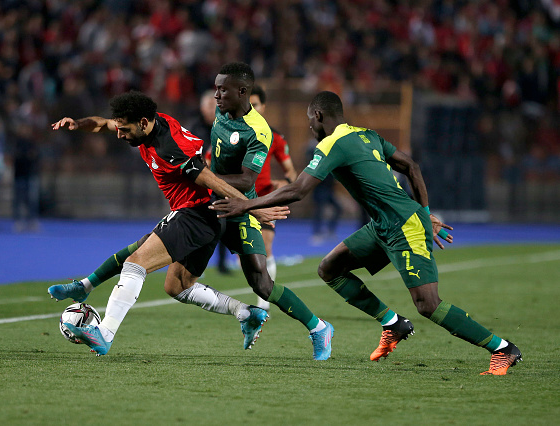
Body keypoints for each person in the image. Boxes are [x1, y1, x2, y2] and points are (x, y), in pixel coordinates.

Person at [212, 91, 522, 375]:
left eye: (309, 120)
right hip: (383, 225)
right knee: (330, 269)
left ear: (318, 115)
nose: (309, 127)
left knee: (428, 304)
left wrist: (246, 205)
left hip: (403, 226)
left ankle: (502, 348)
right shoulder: (367, 135)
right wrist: (425, 212)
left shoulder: (333, 143)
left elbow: (297, 190)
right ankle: (393, 323)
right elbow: (411, 166)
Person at [48, 91, 289, 355]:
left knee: (135, 262)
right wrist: (78, 123)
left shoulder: (170, 149)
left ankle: (104, 334)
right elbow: (105, 124)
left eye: (124, 129)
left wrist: (253, 208)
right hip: (202, 216)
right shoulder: (151, 123)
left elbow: (210, 180)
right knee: (177, 286)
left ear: (142, 123)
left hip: (195, 215)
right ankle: (246, 313)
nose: (119, 134)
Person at [209, 62, 333, 360]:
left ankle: (318, 328)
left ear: (243, 92)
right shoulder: (219, 111)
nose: (216, 95)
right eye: (216, 88)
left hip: (240, 207)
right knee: (171, 261)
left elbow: (247, 179)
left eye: (222, 90)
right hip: (209, 205)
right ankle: (93, 294)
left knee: (262, 283)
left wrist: (199, 176)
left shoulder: (260, 132)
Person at [249, 85, 298, 311]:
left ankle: (263, 303)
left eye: (255, 105)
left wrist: (284, 184)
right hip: (240, 200)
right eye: (248, 105)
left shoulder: (274, 137)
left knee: (265, 246)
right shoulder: (232, 134)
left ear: (264, 107)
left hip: (266, 200)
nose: (251, 109)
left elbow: (291, 173)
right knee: (247, 253)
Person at [186, 90, 232, 274]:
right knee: (194, 223)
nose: (214, 110)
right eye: (210, 106)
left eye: (215, 106)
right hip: (198, 182)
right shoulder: (194, 128)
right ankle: (191, 262)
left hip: (218, 181)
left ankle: (221, 263)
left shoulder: (224, 127)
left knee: (222, 221)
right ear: (202, 108)